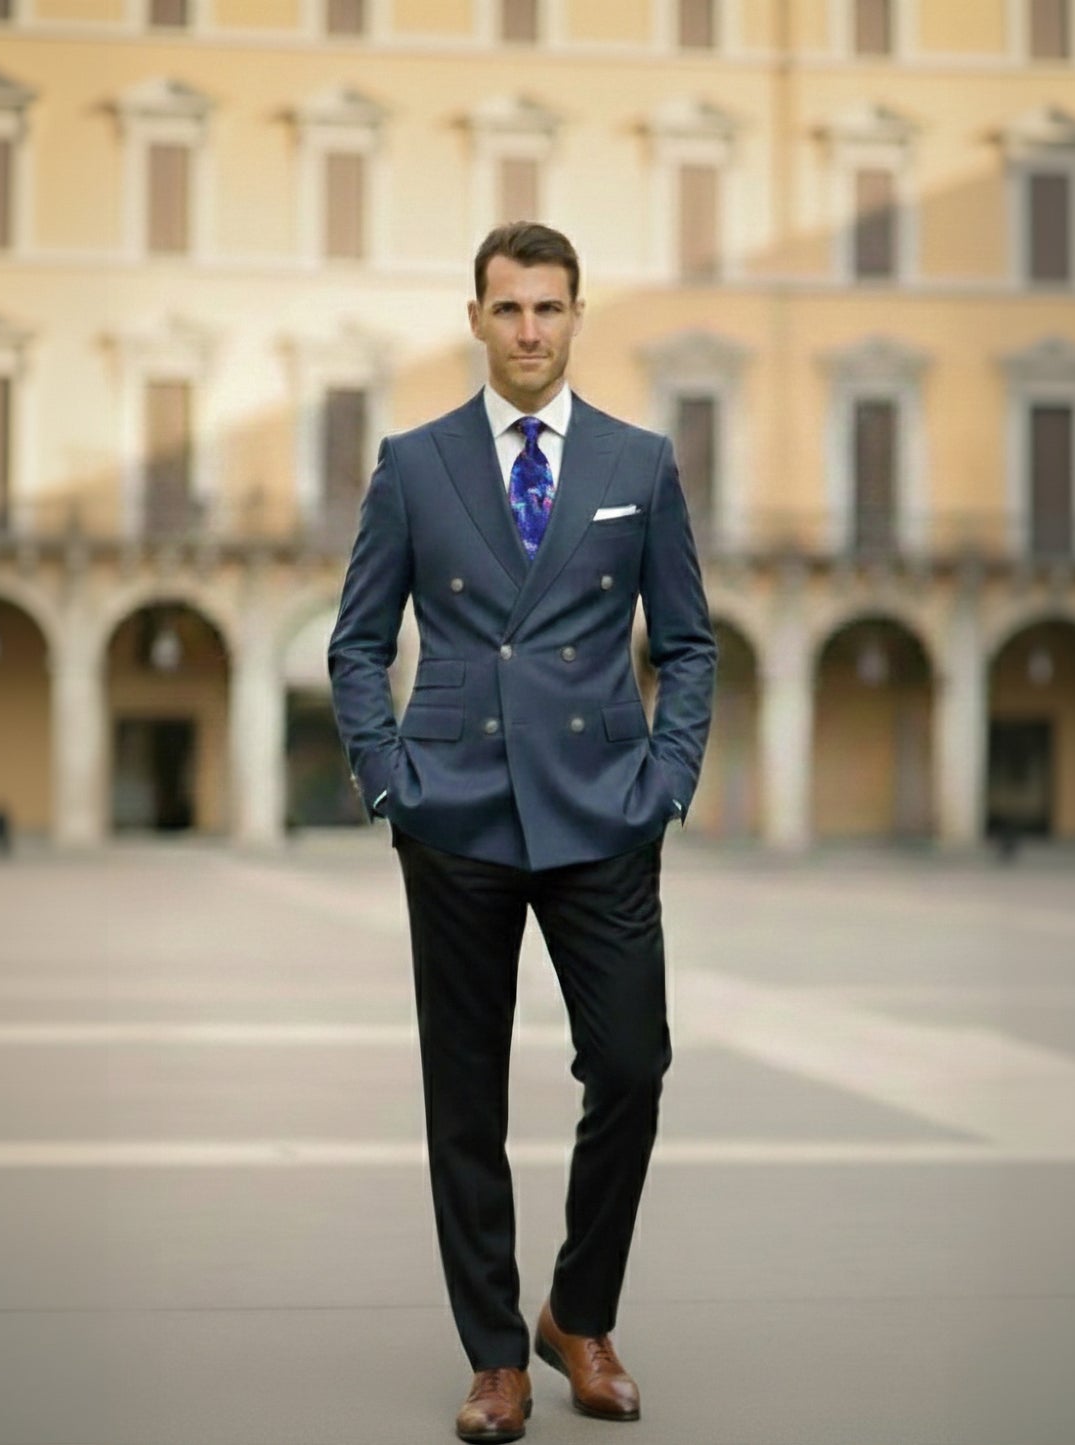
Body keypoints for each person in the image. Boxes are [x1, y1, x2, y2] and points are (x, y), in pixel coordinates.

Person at [327, 222, 716, 1443]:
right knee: (464, 1094)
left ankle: (578, 1311)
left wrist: (664, 780)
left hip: (602, 809)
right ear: (477, 318)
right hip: (456, 812)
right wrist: (392, 781)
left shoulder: (638, 461)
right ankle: (495, 1356)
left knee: (632, 1065)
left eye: (549, 308)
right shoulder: (413, 461)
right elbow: (355, 643)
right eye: (509, 309)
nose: (530, 330)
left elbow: (689, 644)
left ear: (576, 316)